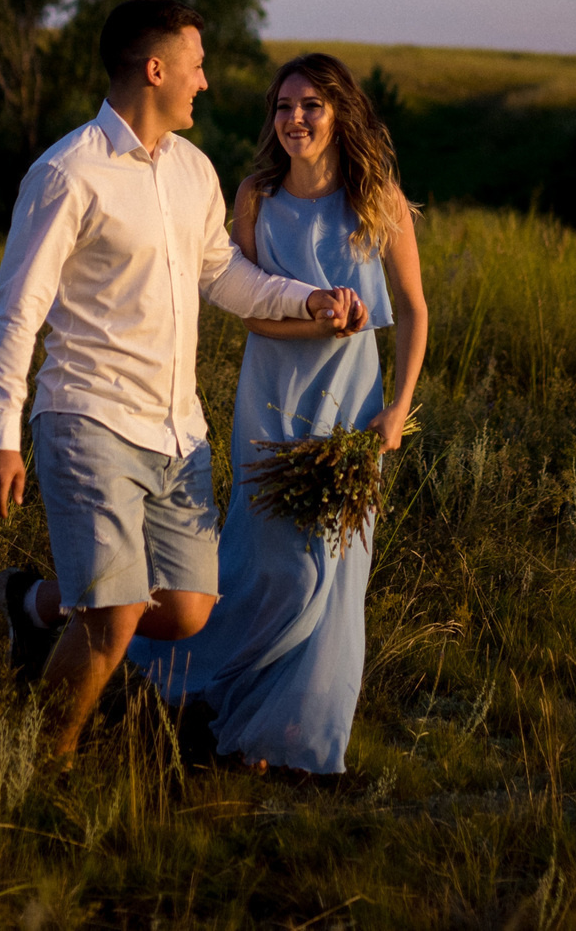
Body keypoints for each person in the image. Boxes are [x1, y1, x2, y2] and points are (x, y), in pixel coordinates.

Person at [0, 0, 369, 762]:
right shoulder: (66, 173)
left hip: (175, 429)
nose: (206, 81)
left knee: (186, 610)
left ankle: (31, 604)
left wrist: (307, 300)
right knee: (115, 614)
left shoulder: (193, 171)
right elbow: (15, 313)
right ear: (155, 70)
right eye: (195, 64)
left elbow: (224, 274)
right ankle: (36, 769)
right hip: (86, 415)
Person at [127, 51, 428, 777]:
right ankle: (171, 678)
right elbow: (256, 316)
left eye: (311, 106)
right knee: (270, 565)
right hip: (273, 401)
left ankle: (292, 740)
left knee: (335, 567)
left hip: (351, 411)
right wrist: (319, 321)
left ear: (339, 113)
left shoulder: (377, 198)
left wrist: (397, 409)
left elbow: (415, 311)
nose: (294, 119)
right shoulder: (256, 196)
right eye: (283, 107)